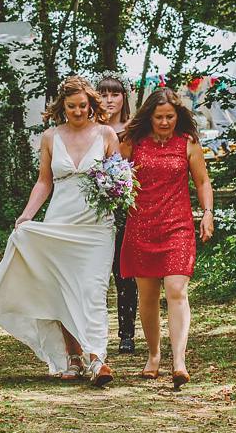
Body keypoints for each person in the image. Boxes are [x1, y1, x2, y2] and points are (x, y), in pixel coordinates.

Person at [0, 76, 119, 386]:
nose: (79, 112)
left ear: (90, 104)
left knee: (94, 290)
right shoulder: (50, 137)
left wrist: (118, 190)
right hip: (60, 221)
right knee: (60, 290)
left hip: (96, 226)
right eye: (72, 107)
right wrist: (27, 215)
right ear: (62, 107)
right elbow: (44, 181)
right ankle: (72, 356)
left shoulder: (106, 134)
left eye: (83, 106)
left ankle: (97, 359)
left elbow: (118, 176)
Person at [119, 87, 215, 390]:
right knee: (147, 298)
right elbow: (116, 179)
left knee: (176, 291)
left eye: (169, 116)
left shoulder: (188, 143)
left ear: (178, 115)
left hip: (178, 227)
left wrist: (207, 213)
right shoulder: (132, 142)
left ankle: (179, 361)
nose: (164, 122)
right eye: (158, 116)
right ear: (149, 116)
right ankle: (154, 354)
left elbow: (202, 181)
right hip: (141, 226)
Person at [96, 71, 138, 354]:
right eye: (104, 94)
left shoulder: (135, 128)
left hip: (125, 207)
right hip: (93, 206)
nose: (109, 100)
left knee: (124, 272)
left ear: (124, 97)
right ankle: (94, 332)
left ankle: (127, 333)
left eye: (115, 94)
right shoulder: (88, 127)